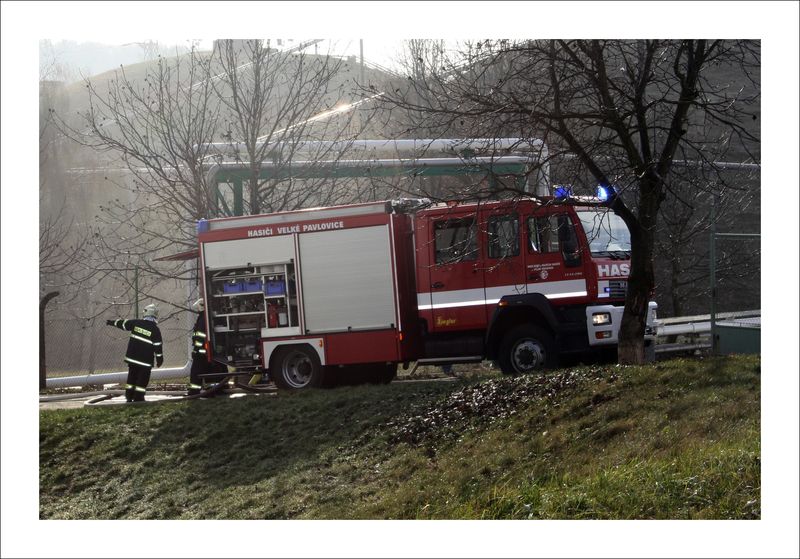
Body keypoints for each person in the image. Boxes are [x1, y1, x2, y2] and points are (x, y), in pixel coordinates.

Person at [106, 303, 164, 402]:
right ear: (155, 315)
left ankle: (129, 396)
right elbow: (158, 346)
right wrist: (160, 360)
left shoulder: (136, 323)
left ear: (145, 313)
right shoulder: (155, 330)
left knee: (131, 378)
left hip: (132, 359)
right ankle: (139, 397)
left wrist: (111, 322)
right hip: (145, 362)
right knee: (142, 380)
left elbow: (123, 324)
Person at [187, 298, 208, 396]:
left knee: (195, 371)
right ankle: (210, 390)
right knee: (205, 370)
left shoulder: (202, 319)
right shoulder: (204, 317)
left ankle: (194, 391)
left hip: (200, 350)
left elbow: (200, 336)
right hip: (204, 350)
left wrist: (196, 350)